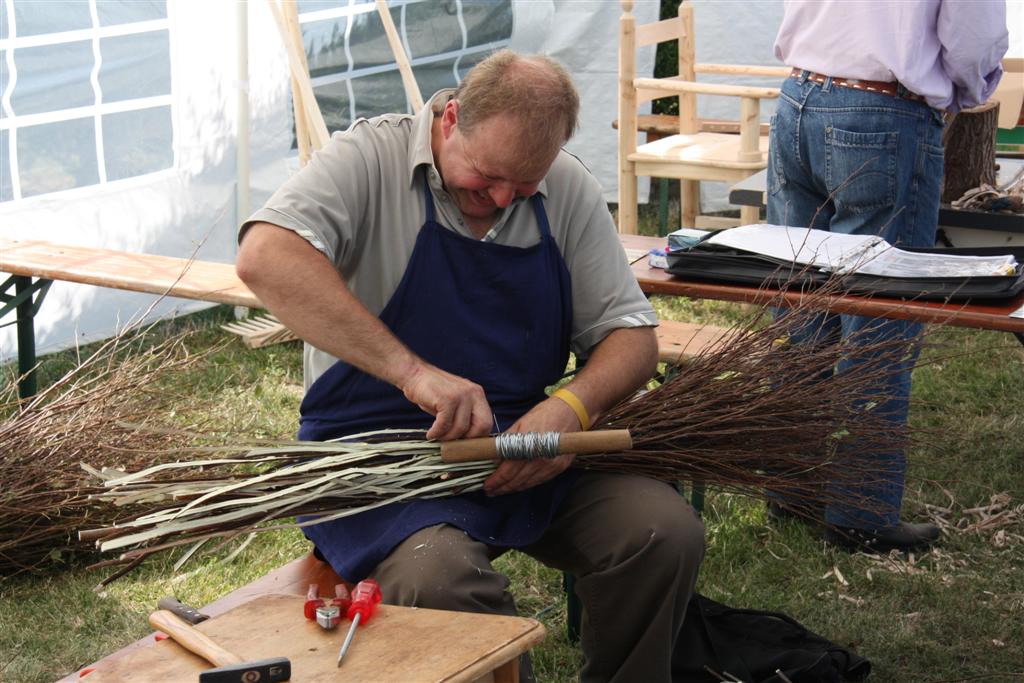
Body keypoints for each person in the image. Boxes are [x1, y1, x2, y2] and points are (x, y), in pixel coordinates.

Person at [236, 50, 704, 681]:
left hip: (522, 445)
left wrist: (568, 410)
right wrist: (413, 373)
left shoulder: (566, 187)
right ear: (452, 118)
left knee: (661, 532)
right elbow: (265, 257)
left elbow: (631, 336)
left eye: (525, 185)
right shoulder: (369, 160)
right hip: (378, 460)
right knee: (439, 578)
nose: (503, 198)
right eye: (487, 177)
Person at [766, 0, 1008, 552]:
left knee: (800, 308)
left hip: (798, 98)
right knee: (880, 322)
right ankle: (860, 513)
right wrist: (963, 90)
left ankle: (792, 487)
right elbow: (973, 39)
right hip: (882, 111)